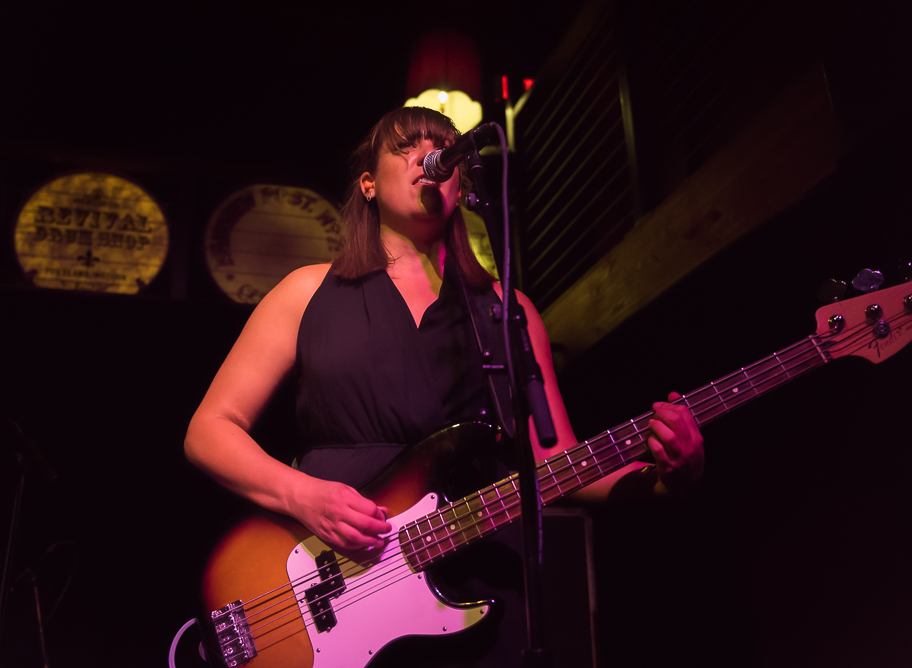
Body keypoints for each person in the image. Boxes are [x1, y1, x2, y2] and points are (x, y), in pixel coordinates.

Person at [184, 106, 704, 667]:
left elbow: (557, 461)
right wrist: (302, 496)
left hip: (471, 587)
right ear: (368, 184)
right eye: (406, 147)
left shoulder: (509, 311)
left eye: (442, 150)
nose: (428, 159)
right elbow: (209, 430)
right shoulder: (304, 293)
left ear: (461, 182)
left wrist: (664, 478)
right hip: (327, 575)